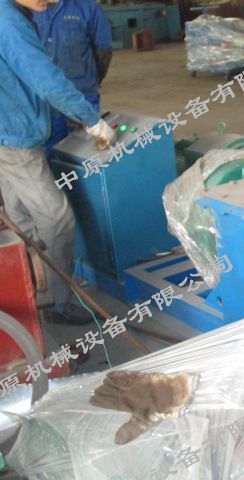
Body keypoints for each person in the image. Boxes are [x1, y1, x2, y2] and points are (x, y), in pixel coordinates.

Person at [0, 0, 117, 324]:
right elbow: (44, 77)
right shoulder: (8, 21)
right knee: (57, 218)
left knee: (19, 214)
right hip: (15, 139)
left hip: (7, 132)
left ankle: (28, 288)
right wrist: (91, 120)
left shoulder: (11, 13)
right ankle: (57, 302)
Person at [34, 0, 112, 149]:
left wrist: (92, 81)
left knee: (86, 152)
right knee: (48, 152)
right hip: (44, 100)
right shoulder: (28, 9)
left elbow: (103, 51)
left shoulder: (88, 8)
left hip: (83, 96)